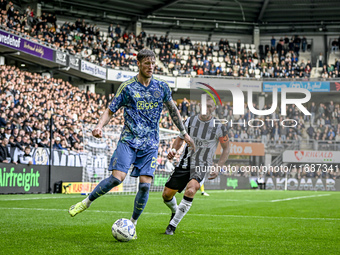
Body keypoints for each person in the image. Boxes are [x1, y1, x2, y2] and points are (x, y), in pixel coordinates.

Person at [68, 49, 195, 239]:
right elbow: (110, 110)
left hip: (150, 145)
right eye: (147, 64)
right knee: (117, 178)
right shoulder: (127, 88)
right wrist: (99, 126)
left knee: (144, 186)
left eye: (153, 63)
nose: (151, 67)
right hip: (128, 140)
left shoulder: (161, 87)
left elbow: (173, 111)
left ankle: (132, 225)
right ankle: (86, 202)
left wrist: (184, 133)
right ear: (138, 64)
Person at [162, 97, 230, 235]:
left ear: (214, 109)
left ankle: (172, 226)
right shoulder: (189, 121)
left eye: (210, 106)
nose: (207, 109)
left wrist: (218, 166)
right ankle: (175, 211)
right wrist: (174, 150)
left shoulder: (220, 127)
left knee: (191, 190)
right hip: (185, 162)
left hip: (202, 165)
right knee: (166, 195)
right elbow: (180, 138)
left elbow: (226, 148)